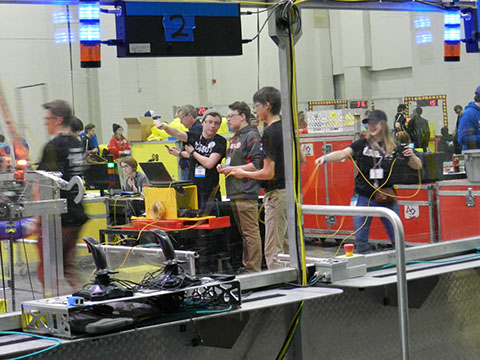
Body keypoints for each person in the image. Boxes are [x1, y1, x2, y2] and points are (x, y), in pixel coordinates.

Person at [315, 110, 422, 254]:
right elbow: (342, 153)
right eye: (369, 123)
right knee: (360, 238)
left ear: (383, 125)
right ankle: (364, 265)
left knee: (397, 235)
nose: (371, 126)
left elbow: (417, 166)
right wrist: (325, 158)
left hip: (386, 196)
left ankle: (402, 265)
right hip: (363, 196)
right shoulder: (361, 144)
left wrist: (413, 157)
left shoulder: (394, 146)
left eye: (375, 123)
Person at [230, 86, 288, 270]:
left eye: (256, 106)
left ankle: (279, 290)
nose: (254, 110)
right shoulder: (286, 128)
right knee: (287, 244)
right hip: (289, 192)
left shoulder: (269, 133)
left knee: (273, 249)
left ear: (267, 106)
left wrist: (243, 173)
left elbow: (267, 172)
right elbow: (301, 158)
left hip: (277, 193)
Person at [36, 100, 88, 291]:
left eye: (47, 119)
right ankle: (85, 303)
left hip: (58, 218)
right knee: (67, 266)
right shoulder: (77, 143)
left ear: (58, 120)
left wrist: (36, 217)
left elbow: (42, 181)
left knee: (48, 270)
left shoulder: (53, 147)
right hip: (77, 213)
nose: (45, 123)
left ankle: (52, 310)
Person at [217, 101, 263, 273]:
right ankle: (247, 266)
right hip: (234, 191)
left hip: (246, 190)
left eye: (231, 116)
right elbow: (235, 161)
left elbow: (257, 164)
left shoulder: (252, 135)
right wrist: (224, 167)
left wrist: (236, 169)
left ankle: (253, 269)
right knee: (244, 233)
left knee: (250, 232)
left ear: (242, 116)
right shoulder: (235, 137)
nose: (228, 120)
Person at [155, 111, 226, 212]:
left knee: (211, 222)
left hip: (210, 192)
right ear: (203, 123)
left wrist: (193, 152)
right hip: (193, 189)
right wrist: (164, 127)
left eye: (216, 123)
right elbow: (176, 133)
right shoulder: (194, 137)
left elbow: (209, 163)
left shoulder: (220, 141)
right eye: (209, 122)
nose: (212, 126)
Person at [169, 105, 203, 180]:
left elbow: (195, 153)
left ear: (189, 116)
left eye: (181, 118)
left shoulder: (197, 129)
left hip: (191, 170)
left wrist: (179, 153)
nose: (181, 122)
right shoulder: (195, 129)